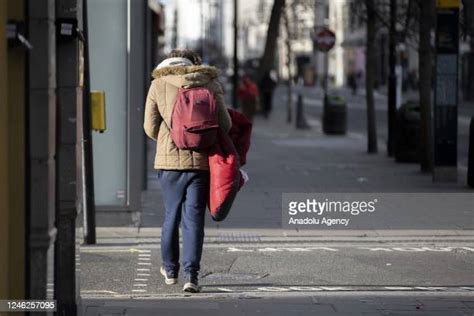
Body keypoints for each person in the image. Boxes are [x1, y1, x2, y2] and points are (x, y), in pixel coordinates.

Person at [143, 49, 231, 293]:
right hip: (201, 163)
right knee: (193, 219)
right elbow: (225, 124)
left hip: (169, 162)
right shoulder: (209, 82)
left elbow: (149, 127)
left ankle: (170, 270)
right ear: (194, 64)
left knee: (171, 214)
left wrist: (168, 136)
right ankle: (191, 275)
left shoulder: (159, 83)